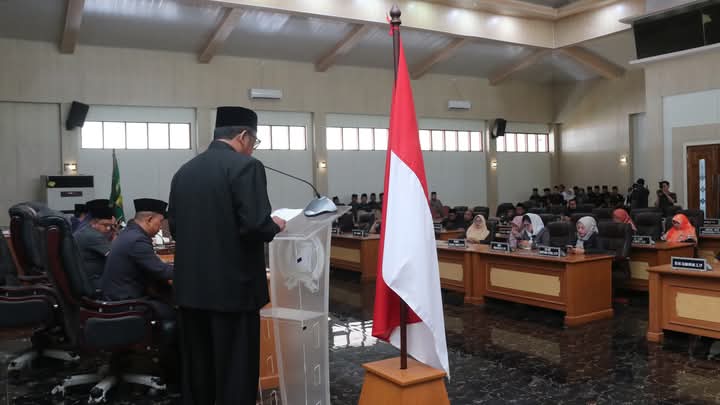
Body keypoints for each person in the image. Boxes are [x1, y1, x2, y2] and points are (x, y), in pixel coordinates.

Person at [168, 106, 286, 405]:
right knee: (235, 372)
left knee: (199, 371)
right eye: (254, 142)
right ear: (244, 136)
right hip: (233, 292)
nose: (253, 149)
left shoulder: (184, 171)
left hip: (191, 292)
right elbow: (256, 225)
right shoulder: (246, 167)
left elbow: (176, 229)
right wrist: (275, 224)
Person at [101, 198, 174, 318]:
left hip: (117, 297)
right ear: (149, 220)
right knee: (175, 310)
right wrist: (189, 271)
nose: (161, 226)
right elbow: (162, 272)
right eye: (160, 222)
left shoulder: (129, 232)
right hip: (125, 304)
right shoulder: (137, 239)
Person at [74, 199, 116, 289]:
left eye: (111, 226)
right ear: (93, 222)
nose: (108, 229)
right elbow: (116, 257)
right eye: (105, 225)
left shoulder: (85, 230)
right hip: (94, 282)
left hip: (86, 279)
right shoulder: (93, 236)